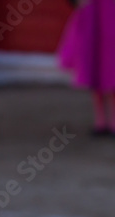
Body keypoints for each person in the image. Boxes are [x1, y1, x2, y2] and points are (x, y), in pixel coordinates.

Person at [58, 0, 115, 136]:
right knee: (94, 61)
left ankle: (111, 120)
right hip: (91, 8)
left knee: (109, 61)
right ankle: (101, 120)